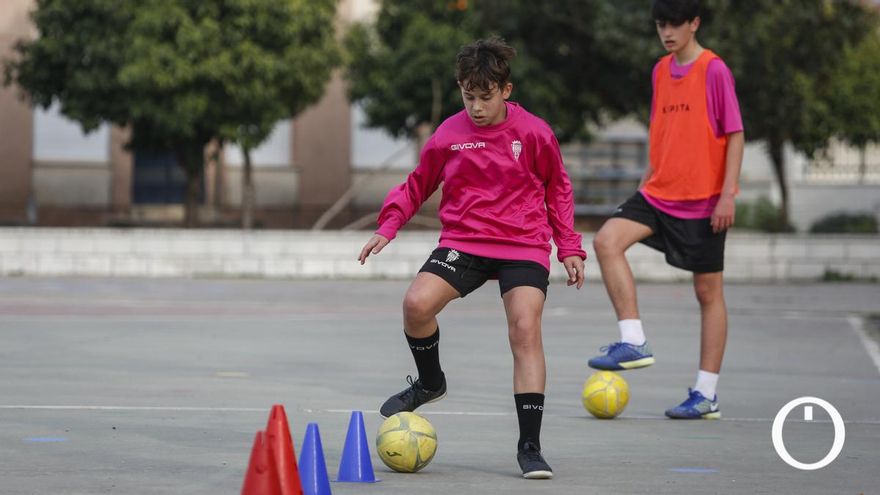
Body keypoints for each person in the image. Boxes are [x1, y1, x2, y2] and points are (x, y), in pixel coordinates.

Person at [358, 38, 586, 479]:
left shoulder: (534, 133)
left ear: (505, 90)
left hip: (523, 243)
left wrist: (570, 247)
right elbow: (417, 184)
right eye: (468, 96)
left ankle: (530, 447)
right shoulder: (449, 134)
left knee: (524, 329)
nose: (477, 107)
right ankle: (430, 382)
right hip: (465, 240)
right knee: (415, 305)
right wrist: (388, 226)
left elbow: (558, 187)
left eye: (485, 96)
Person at [587, 0, 744, 420]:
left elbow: (734, 134)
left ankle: (705, 393)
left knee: (707, 293)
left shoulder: (714, 69)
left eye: (676, 24)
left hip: (704, 200)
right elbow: (663, 130)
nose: (667, 32)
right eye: (661, 24)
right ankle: (633, 339)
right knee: (606, 241)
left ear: (694, 23)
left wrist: (728, 193)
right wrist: (646, 176)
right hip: (657, 193)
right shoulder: (660, 70)